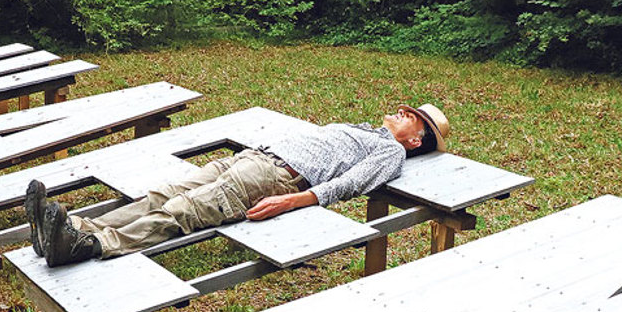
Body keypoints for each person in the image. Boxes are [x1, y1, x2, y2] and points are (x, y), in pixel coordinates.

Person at [25, 103, 450, 267]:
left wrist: (294, 201)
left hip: (274, 176)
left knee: (184, 211)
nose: (400, 110)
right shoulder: (367, 129)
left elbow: (352, 183)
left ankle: (90, 246)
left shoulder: (391, 153)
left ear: (415, 139)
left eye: (411, 116)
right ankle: (72, 229)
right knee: (160, 195)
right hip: (253, 158)